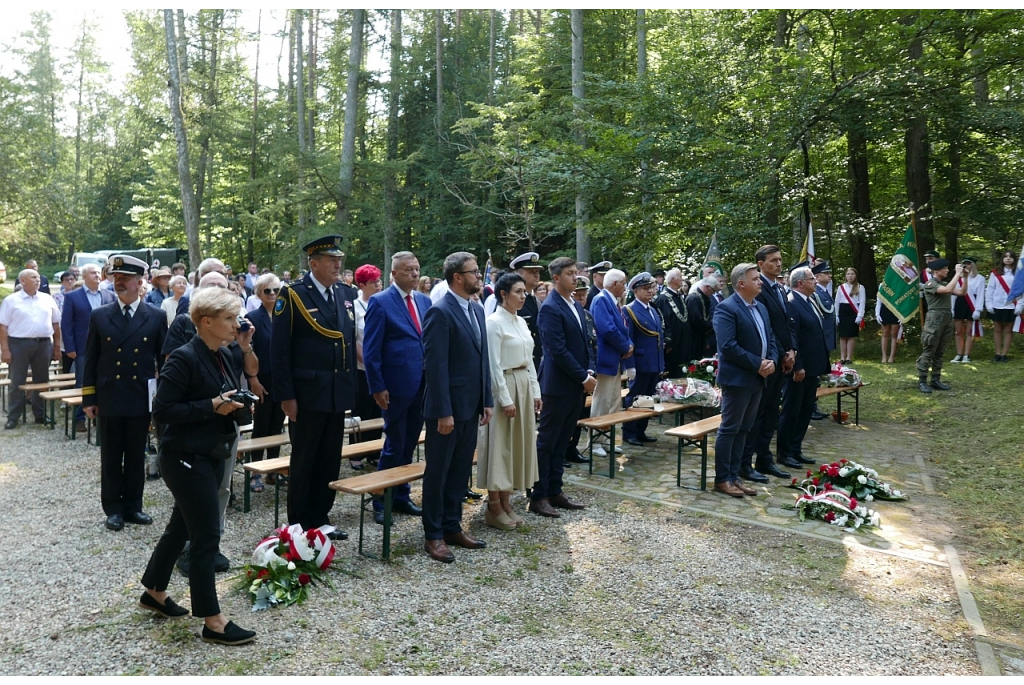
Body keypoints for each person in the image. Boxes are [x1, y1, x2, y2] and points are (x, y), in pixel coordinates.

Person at [140, 286, 256, 646]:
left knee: (180, 528)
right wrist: (211, 406)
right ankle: (213, 620)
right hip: (184, 457)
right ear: (206, 321)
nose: (236, 324)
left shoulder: (222, 353)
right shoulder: (183, 357)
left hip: (207, 453)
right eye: (229, 318)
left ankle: (154, 591)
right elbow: (161, 411)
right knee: (206, 535)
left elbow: (229, 389)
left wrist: (236, 404)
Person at [271, 235, 355, 540]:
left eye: (339, 259)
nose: (337, 264)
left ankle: (321, 516)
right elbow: (279, 351)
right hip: (307, 394)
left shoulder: (344, 294)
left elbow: (345, 342)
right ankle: (300, 522)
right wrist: (286, 396)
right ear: (313, 262)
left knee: (329, 457)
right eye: (331, 260)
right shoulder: (293, 295)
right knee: (304, 458)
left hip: (335, 391)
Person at [82, 255, 167, 531]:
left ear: (140, 283)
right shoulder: (100, 315)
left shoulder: (155, 316)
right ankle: (113, 509)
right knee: (110, 455)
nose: (118, 282)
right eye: (116, 278)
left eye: (125, 278)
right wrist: (89, 398)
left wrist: (162, 399)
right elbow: (90, 360)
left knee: (135, 454)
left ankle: (134, 506)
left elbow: (163, 361)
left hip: (140, 396)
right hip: (109, 396)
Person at [420, 252, 493, 563]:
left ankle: (453, 526)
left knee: (460, 470)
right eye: (474, 272)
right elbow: (435, 367)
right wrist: (443, 412)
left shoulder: (476, 309)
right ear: (457, 277)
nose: (479, 276)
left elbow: (483, 359)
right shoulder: (440, 312)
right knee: (438, 471)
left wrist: (486, 400)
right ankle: (433, 534)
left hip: (471, 405)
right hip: (447, 410)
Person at [363, 252, 430, 524]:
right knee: (394, 442)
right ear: (394, 274)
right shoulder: (380, 302)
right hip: (395, 385)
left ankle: (401, 495)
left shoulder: (424, 301)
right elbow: (371, 350)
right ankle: (381, 498)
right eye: (407, 270)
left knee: (411, 442)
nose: (414, 274)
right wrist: (377, 386)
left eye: (416, 269)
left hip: (422, 383)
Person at [531, 257, 596, 518]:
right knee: (547, 441)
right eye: (569, 274)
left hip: (576, 384)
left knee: (563, 439)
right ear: (556, 278)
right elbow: (556, 350)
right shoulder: (551, 308)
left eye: (575, 273)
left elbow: (586, 342)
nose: (575, 278)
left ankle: (555, 489)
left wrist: (589, 370)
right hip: (558, 385)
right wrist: (583, 376)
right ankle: (538, 495)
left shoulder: (575, 305)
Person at [478, 273, 541, 530]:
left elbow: (530, 359)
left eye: (524, 292)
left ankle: (506, 501)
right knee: (500, 444)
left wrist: (536, 392)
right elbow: (492, 364)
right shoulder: (494, 322)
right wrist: (504, 398)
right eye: (518, 291)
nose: (523, 296)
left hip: (523, 385)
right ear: (503, 294)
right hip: (504, 385)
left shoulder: (521, 322)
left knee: (517, 445)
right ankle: (493, 504)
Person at [711, 263, 777, 498]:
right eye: (756, 278)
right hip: (738, 379)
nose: (760, 282)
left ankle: (735, 476)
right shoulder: (726, 309)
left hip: (759, 378)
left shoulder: (760, 307)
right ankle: (722, 478)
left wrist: (772, 361)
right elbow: (728, 346)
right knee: (730, 429)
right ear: (741, 283)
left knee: (745, 428)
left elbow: (770, 338)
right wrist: (757, 363)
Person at [741, 247, 800, 481]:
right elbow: (767, 329)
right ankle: (746, 462)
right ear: (760, 264)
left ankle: (765, 458)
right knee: (757, 415)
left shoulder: (780, 289)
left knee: (771, 414)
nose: (778, 264)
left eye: (780, 260)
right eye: (773, 261)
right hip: (767, 361)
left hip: (782, 359)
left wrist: (792, 351)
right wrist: (778, 356)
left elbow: (788, 324)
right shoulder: (759, 289)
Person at [777, 266, 830, 466]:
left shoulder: (808, 300)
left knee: (806, 409)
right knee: (792, 410)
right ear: (800, 283)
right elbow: (793, 338)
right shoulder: (792, 303)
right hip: (799, 369)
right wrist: (797, 365)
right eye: (811, 279)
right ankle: (784, 452)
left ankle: (795, 449)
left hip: (812, 367)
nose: (815, 281)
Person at [0, 269, 62, 429]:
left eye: (38, 277)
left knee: (42, 380)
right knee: (17, 381)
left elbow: (56, 324)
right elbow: (3, 326)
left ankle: (40, 415)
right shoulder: (11, 300)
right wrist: (5, 350)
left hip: (43, 344)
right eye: (33, 277)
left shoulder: (47, 299)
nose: (38, 279)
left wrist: (56, 347)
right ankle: (14, 416)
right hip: (18, 344)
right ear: (23, 281)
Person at [61, 264, 116, 432]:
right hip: (82, 347)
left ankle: (99, 416)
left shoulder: (110, 296)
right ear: (84, 276)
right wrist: (70, 347)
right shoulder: (72, 297)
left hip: (105, 348)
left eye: (99, 273)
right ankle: (79, 418)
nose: (97, 276)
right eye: (93, 273)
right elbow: (66, 324)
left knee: (104, 380)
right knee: (83, 382)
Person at [244, 273, 284, 494]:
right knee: (261, 425)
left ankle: (273, 469)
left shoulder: (284, 315)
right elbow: (247, 352)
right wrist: (253, 381)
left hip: (281, 381)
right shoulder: (252, 318)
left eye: (275, 290)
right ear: (259, 293)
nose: (272, 294)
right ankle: (256, 472)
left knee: (277, 425)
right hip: (261, 380)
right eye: (267, 290)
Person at [589, 268, 634, 457]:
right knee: (602, 400)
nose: (625, 287)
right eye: (623, 283)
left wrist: (628, 344)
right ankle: (596, 440)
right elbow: (607, 329)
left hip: (616, 358)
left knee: (615, 400)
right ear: (614, 283)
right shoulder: (601, 300)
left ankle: (608, 438)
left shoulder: (614, 302)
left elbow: (623, 328)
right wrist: (625, 347)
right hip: (606, 358)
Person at [621, 273, 665, 447]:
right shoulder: (629, 310)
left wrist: (661, 363)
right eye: (646, 289)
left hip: (653, 361)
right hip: (639, 361)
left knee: (648, 397)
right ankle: (629, 431)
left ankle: (641, 430)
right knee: (634, 397)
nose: (650, 292)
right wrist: (629, 366)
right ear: (636, 291)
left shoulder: (652, 309)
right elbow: (628, 338)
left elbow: (658, 338)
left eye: (651, 288)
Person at [350, 264, 384, 461]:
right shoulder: (354, 307)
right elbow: (353, 339)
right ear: (362, 285)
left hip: (380, 369)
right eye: (373, 282)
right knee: (361, 410)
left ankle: (374, 451)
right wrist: (369, 361)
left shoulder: (382, 303)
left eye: (379, 281)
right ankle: (356, 453)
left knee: (378, 409)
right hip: (361, 369)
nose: (378, 285)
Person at [918, 259, 967, 393]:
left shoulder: (945, 283)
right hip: (934, 319)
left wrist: (965, 277)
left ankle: (935, 379)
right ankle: (922, 380)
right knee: (929, 350)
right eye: (944, 268)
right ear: (936, 271)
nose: (947, 270)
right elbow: (947, 290)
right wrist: (957, 274)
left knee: (940, 351)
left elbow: (962, 292)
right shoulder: (930, 284)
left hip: (946, 318)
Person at [654, 268, 690, 378]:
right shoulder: (663, 298)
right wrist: (668, 341)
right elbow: (663, 321)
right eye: (680, 277)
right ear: (673, 279)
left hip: (683, 341)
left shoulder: (679, 296)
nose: (682, 279)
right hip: (673, 344)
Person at [951, 257, 985, 364]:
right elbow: (953, 293)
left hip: (972, 304)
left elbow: (980, 295)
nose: (966, 265)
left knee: (970, 331)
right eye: (964, 263)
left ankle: (966, 354)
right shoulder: (958, 277)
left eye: (968, 263)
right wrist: (951, 308)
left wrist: (978, 310)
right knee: (958, 331)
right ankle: (959, 354)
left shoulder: (980, 278)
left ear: (973, 265)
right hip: (960, 303)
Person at [986, 250, 1018, 362]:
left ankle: (1004, 354)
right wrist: (988, 303)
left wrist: (1020, 305)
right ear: (1002, 259)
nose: (1008, 258)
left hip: (1012, 305)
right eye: (1006, 256)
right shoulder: (995, 272)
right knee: (997, 329)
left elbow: (1021, 290)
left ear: (1014, 258)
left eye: (1010, 256)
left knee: (1008, 330)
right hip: (997, 304)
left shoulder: (1019, 273)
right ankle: (997, 353)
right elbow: (990, 289)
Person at [836, 267, 865, 365]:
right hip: (843, 312)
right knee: (843, 336)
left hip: (853, 312)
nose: (850, 276)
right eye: (848, 274)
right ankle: (842, 357)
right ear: (845, 276)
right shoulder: (841, 287)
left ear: (855, 275)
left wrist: (860, 315)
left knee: (851, 335)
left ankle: (849, 357)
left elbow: (862, 302)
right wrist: (836, 315)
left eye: (852, 274)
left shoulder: (860, 287)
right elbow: (837, 302)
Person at [687, 276, 719, 362]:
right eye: (713, 291)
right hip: (694, 338)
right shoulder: (693, 298)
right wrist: (713, 326)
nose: (713, 294)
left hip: (702, 337)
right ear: (707, 287)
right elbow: (697, 321)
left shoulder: (704, 298)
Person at [875, 288, 902, 364]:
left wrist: (902, 314)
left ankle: (892, 356)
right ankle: (884, 356)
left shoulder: (899, 285)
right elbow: (879, 300)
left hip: (896, 309)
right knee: (885, 333)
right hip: (884, 309)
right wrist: (877, 314)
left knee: (894, 334)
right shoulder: (883, 285)